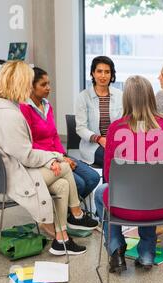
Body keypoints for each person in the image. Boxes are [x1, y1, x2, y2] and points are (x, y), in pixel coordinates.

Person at [0, 61, 93, 256]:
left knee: (62, 186)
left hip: (5, 175)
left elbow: (22, 153)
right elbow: (26, 156)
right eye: (28, 82)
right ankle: (76, 214)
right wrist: (55, 157)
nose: (29, 86)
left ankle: (61, 241)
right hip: (13, 180)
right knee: (65, 169)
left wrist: (52, 159)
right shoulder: (11, 115)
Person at [94, 76, 163, 273]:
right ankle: (147, 254)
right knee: (150, 189)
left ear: (126, 99)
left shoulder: (116, 128)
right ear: (151, 97)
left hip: (128, 205)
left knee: (102, 193)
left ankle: (116, 249)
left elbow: (109, 175)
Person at [19, 67, 101, 211]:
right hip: (42, 160)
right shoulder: (24, 109)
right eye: (43, 85)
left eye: (49, 83)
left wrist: (63, 156)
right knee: (80, 184)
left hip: (58, 156)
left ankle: (69, 210)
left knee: (93, 177)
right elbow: (30, 144)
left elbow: (54, 136)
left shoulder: (47, 106)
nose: (48, 88)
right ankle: (69, 213)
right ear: (31, 87)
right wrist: (57, 159)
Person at [75, 56, 123, 167]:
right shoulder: (83, 97)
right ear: (93, 73)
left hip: (116, 142)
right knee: (113, 160)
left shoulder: (120, 95)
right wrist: (99, 139)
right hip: (93, 145)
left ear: (111, 75)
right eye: (99, 71)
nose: (103, 76)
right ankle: (111, 185)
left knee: (130, 156)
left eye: (107, 72)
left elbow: (124, 121)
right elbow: (81, 128)